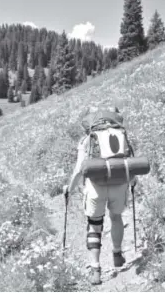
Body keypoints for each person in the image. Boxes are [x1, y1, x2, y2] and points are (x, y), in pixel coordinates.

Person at [63, 106, 137, 285]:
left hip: (95, 187)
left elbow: (79, 169)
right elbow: (130, 162)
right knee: (116, 217)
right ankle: (117, 255)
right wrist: (132, 182)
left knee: (95, 225)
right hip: (119, 184)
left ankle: (95, 270)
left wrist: (70, 188)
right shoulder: (122, 135)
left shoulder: (87, 139)